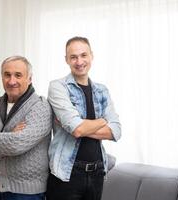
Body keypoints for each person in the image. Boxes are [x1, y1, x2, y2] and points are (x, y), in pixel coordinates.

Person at [46, 36, 121, 200]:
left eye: (83, 55)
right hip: (66, 172)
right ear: (66, 60)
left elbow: (116, 131)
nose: (79, 61)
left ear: (91, 56)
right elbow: (77, 129)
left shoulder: (102, 90)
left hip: (97, 172)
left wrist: (77, 126)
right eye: (73, 57)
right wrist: (103, 120)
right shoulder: (58, 87)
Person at [0, 56, 52, 200]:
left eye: (18, 75)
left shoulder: (40, 106)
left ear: (29, 78)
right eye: (7, 75)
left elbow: (17, 145)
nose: (11, 81)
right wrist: (9, 135)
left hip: (27, 194)